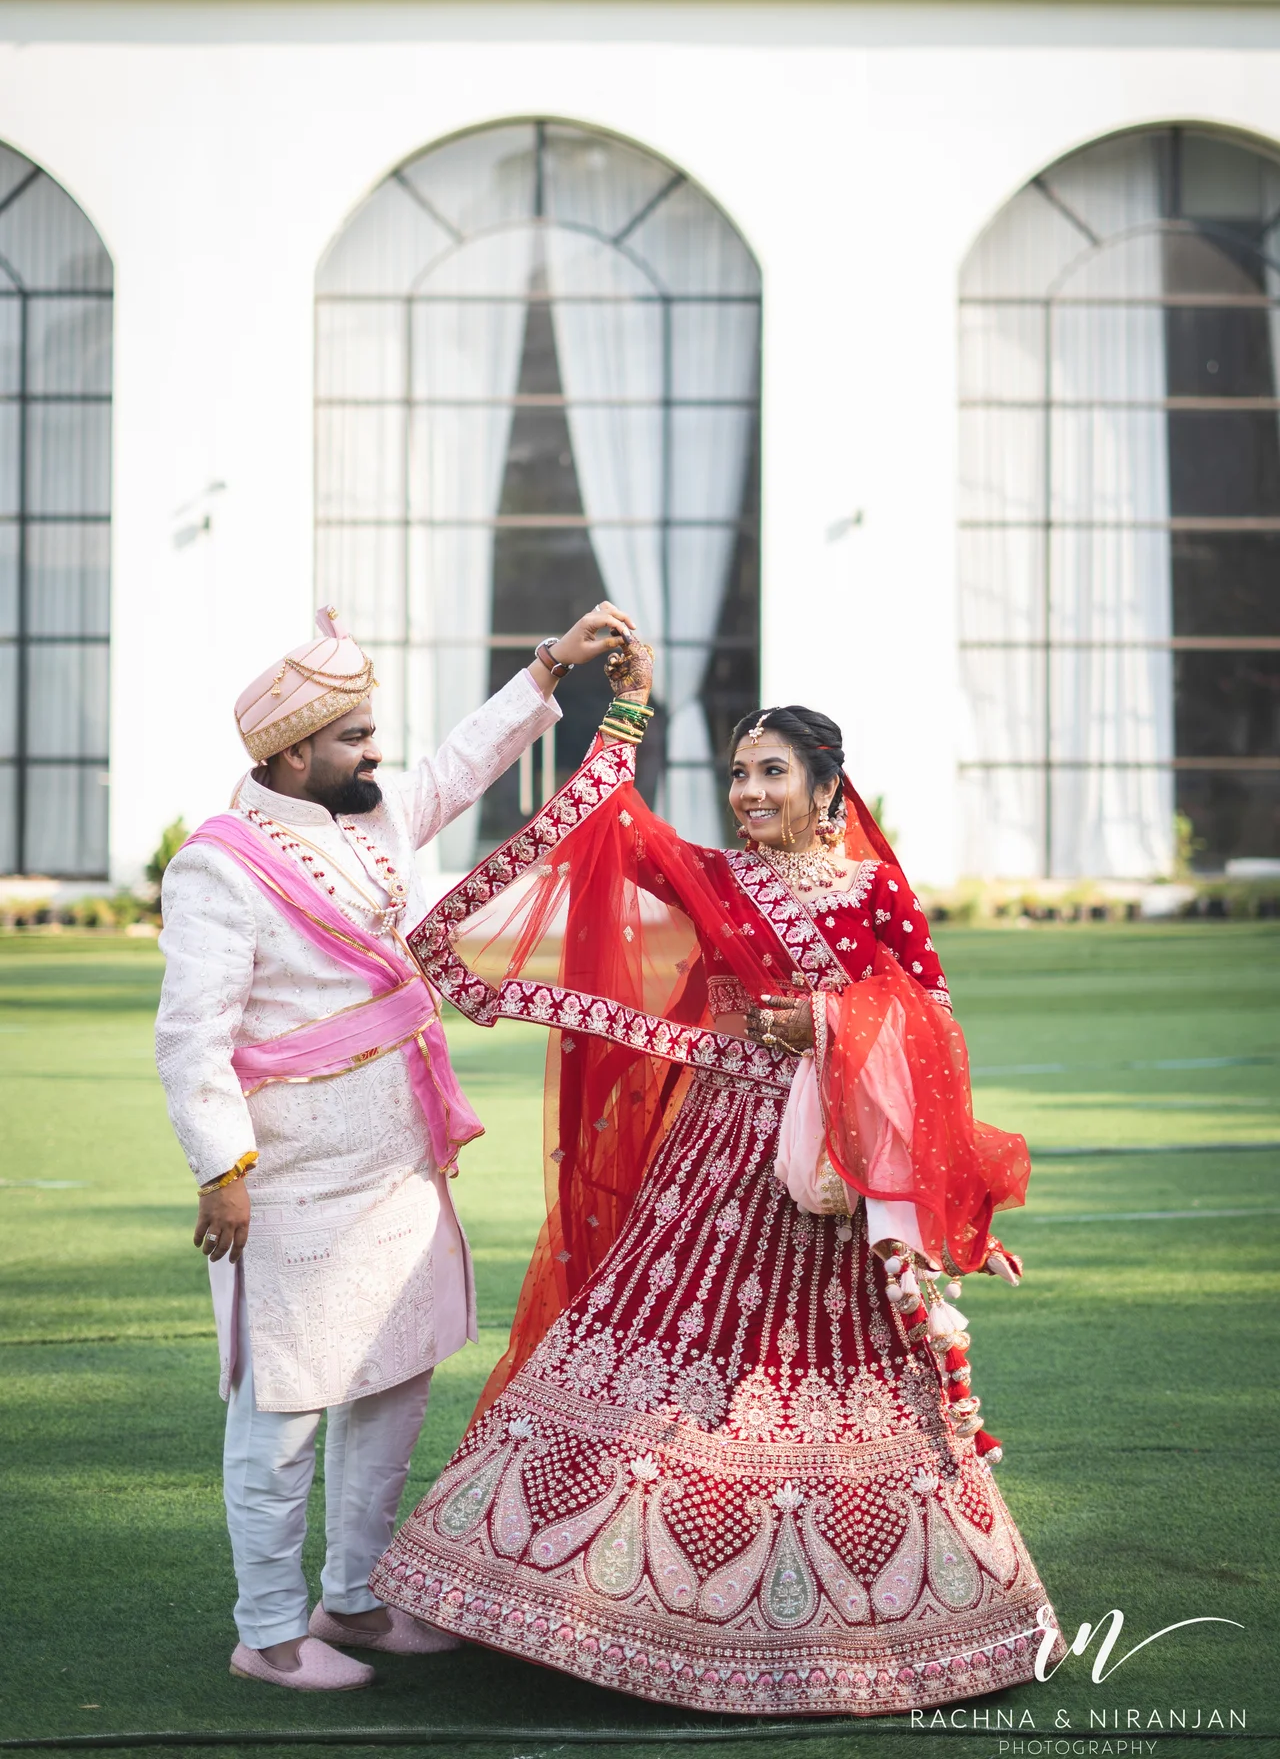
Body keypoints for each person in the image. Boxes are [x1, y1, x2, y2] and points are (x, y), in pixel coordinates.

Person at [370, 644, 1057, 1717]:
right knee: (649, 1334)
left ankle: (881, 1626)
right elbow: (610, 827)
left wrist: (829, 1023)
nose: (749, 793)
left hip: (827, 1170)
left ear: (828, 788)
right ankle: (545, 1591)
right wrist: (626, 711)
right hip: (717, 1158)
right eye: (739, 774)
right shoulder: (718, 878)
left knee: (834, 1369)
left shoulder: (877, 889)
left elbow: (928, 1017)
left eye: (772, 773)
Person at [155, 600, 636, 1692]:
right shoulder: (218, 868)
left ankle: (356, 1600)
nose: (377, 754)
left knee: (393, 1377)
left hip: (399, 1157)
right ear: (289, 754)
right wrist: (220, 1171)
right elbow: (191, 1037)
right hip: (288, 1177)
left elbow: (455, 767)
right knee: (282, 1402)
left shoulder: (369, 817)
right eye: (354, 739)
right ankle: (269, 1633)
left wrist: (549, 673)